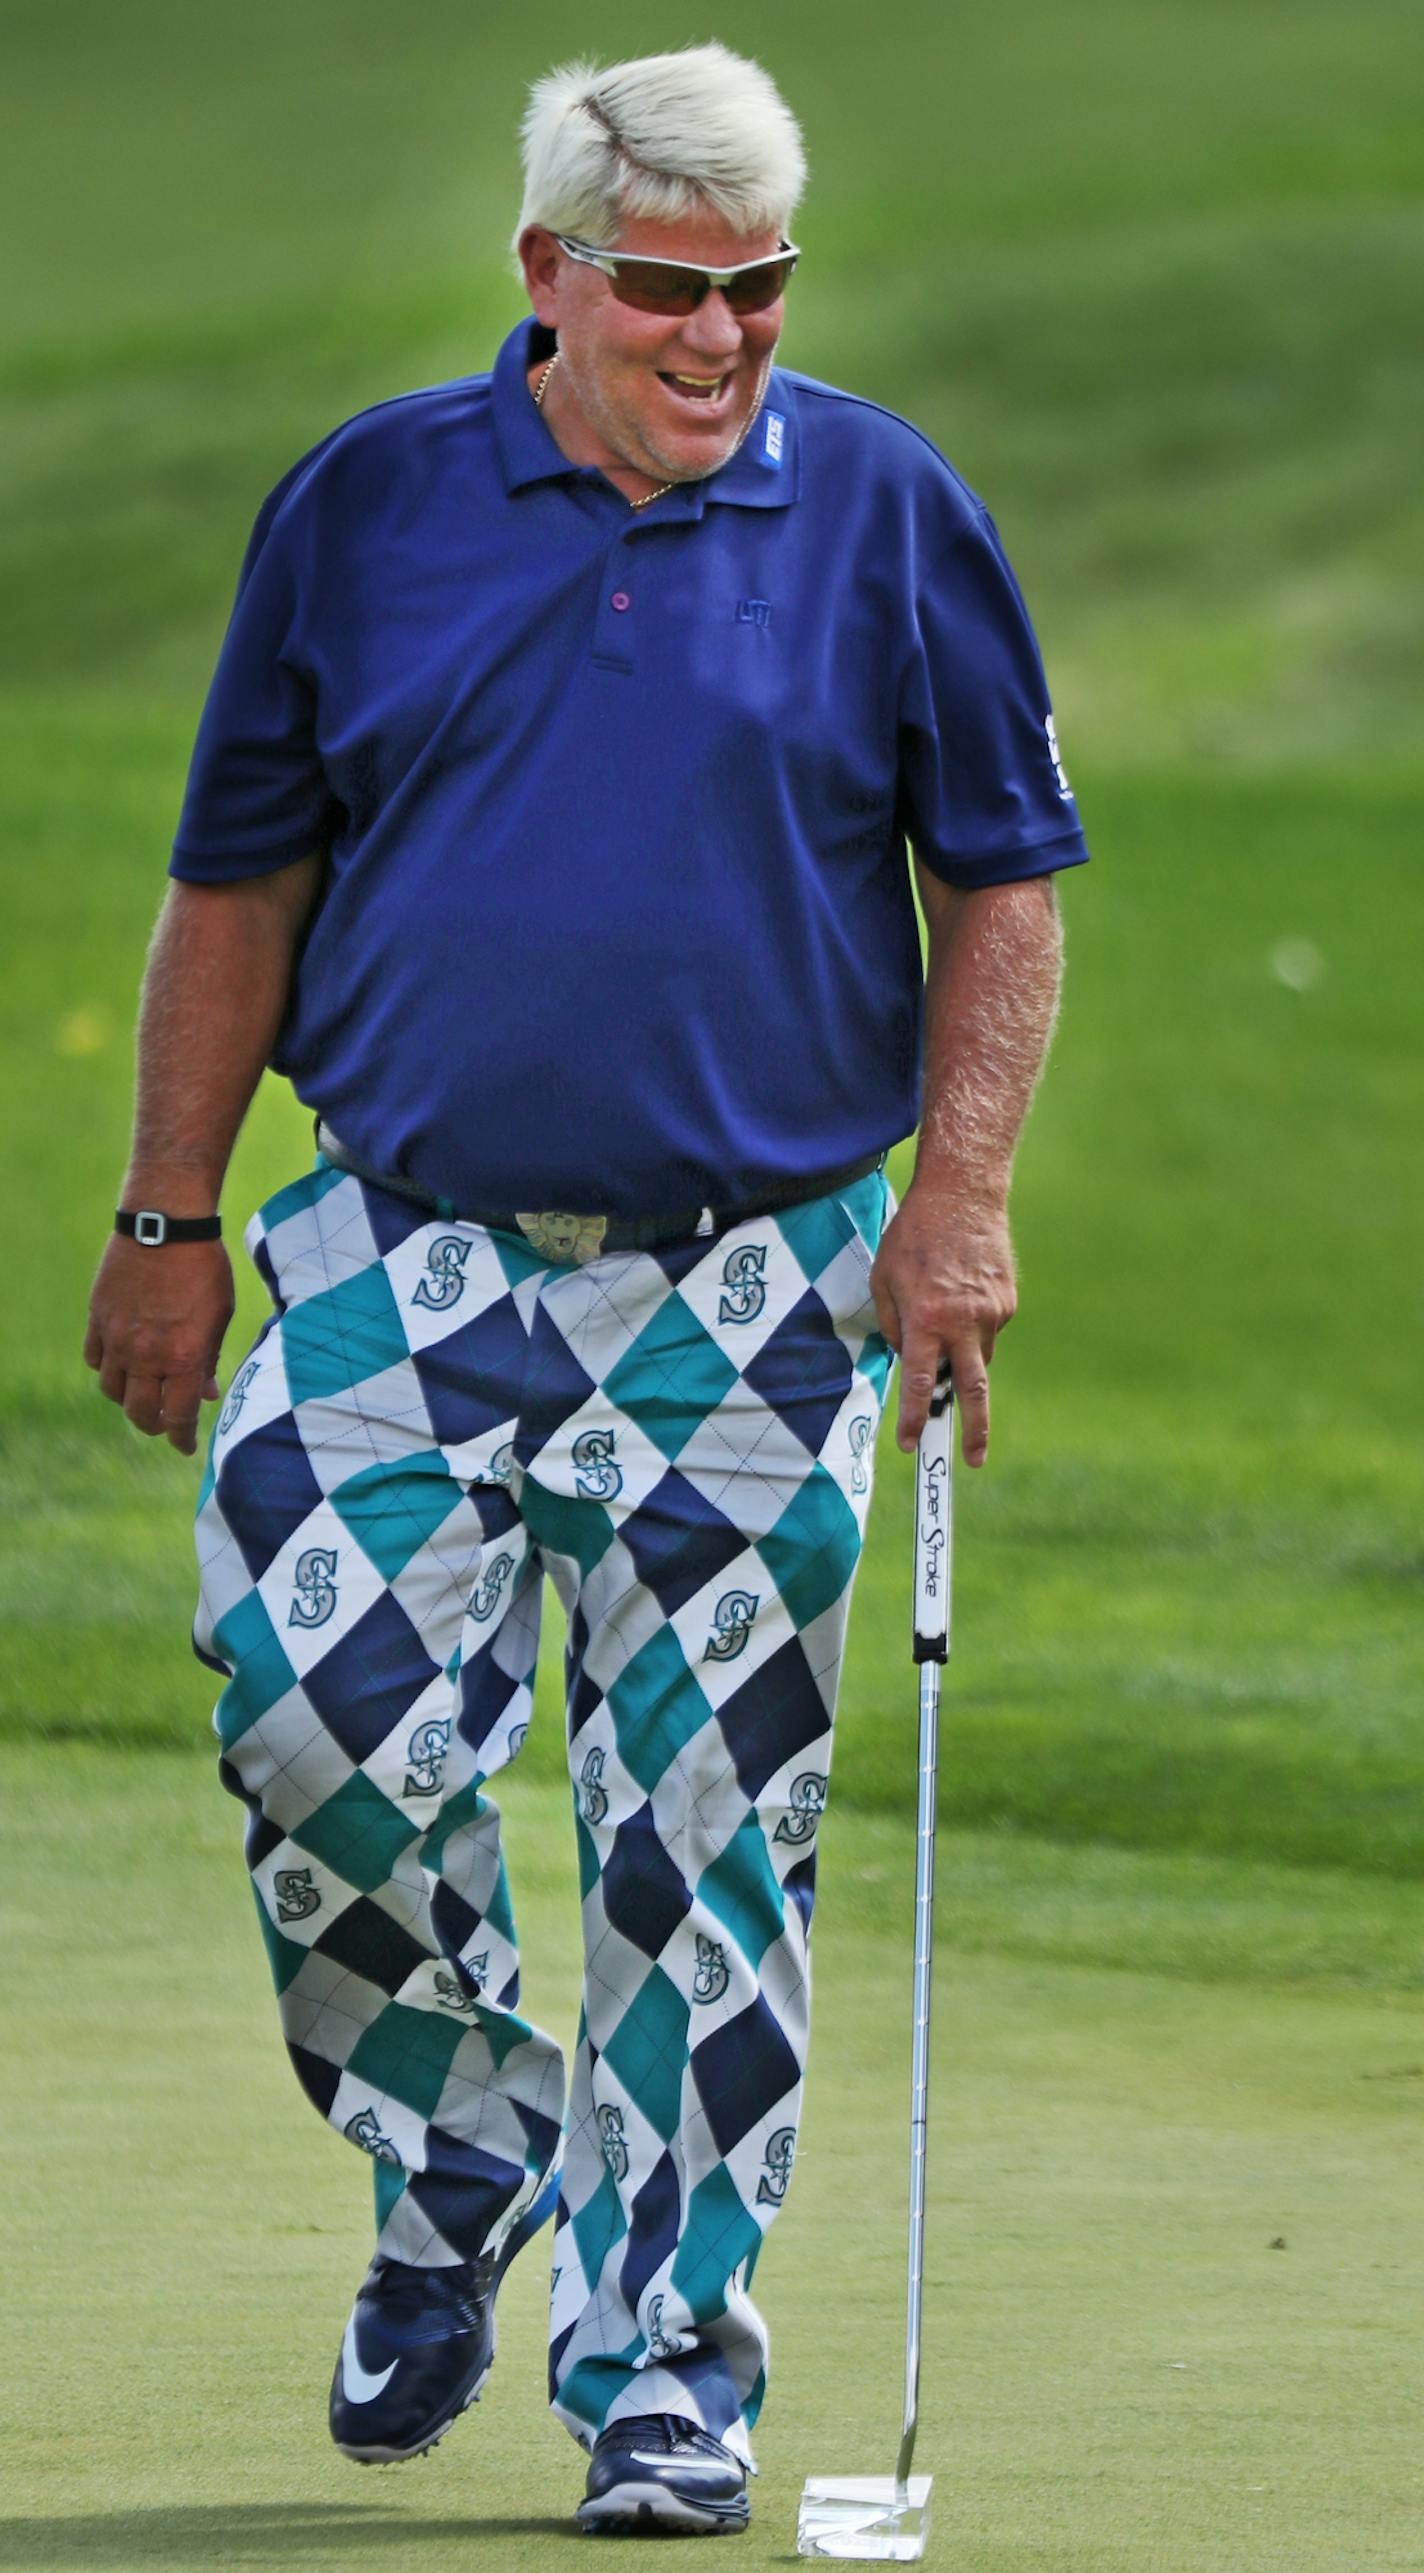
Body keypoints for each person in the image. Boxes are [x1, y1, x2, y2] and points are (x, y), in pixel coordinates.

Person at [83, 40, 1087, 2539]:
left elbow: (1002, 885)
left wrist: (955, 1208)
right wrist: (165, 1216)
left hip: (757, 1289)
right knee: (309, 1735)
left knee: (696, 1845)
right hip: (393, 1258)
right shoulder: (368, 507)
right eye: (665, 288)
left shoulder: (882, 511)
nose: (721, 335)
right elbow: (238, 890)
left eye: (758, 285)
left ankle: (664, 2371)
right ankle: (463, 2153)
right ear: (546, 271)